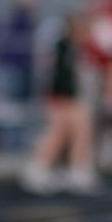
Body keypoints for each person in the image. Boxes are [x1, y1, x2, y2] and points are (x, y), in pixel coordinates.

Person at [20, 15, 99, 194]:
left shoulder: (72, 48)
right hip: (63, 98)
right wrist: (64, 98)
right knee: (61, 133)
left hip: (66, 97)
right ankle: (46, 169)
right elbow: (60, 77)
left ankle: (73, 168)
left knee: (72, 132)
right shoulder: (64, 47)